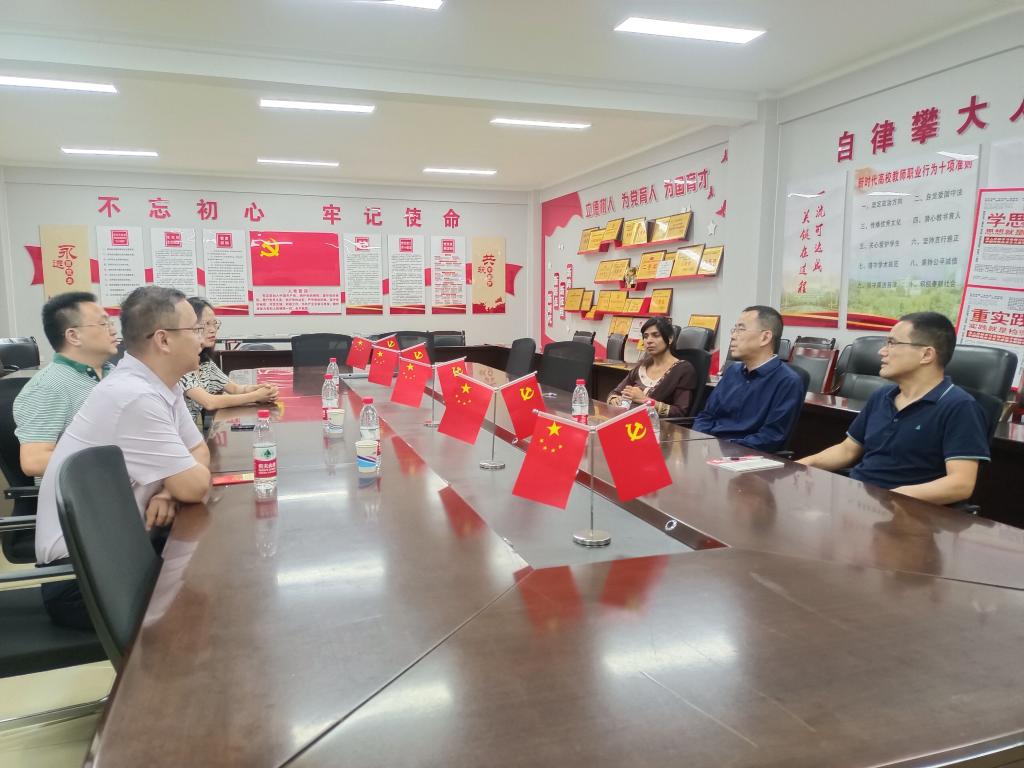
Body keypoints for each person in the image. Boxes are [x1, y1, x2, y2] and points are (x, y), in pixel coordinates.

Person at [34, 285, 212, 629]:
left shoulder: (162, 385)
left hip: (123, 549)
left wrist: (166, 489)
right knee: (206, 607)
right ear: (163, 339)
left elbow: (199, 450)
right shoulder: (134, 396)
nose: (202, 339)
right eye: (194, 329)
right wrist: (178, 482)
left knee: (211, 573)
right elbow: (193, 486)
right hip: (82, 577)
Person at [798, 312, 989, 505]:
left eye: (892, 343)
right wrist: (803, 464)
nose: (882, 351)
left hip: (907, 511)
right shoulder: (881, 396)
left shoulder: (960, 407)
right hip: (858, 499)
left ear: (926, 355)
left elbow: (960, 484)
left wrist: (893, 497)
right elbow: (847, 450)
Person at [13, 291, 119, 479]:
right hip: (86, 490)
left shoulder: (114, 373)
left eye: (110, 323)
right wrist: (117, 458)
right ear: (73, 336)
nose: (113, 330)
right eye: (103, 324)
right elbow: (34, 461)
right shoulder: (48, 386)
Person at [692, 306, 805, 452]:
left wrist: (721, 448)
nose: (733, 336)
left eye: (741, 329)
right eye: (734, 329)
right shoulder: (732, 371)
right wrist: (700, 441)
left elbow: (770, 437)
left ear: (765, 337)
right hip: (709, 448)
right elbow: (706, 416)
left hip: (744, 456)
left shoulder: (787, 381)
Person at [180, 297, 277, 427]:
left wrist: (259, 389)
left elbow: (235, 389)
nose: (213, 329)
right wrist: (255, 396)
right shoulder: (181, 364)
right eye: (206, 324)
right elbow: (209, 402)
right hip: (177, 434)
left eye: (214, 323)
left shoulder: (205, 362)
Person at [606, 317, 697, 417]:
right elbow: (615, 392)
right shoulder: (642, 366)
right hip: (628, 419)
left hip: (656, 424)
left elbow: (680, 412)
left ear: (670, 339)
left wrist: (645, 400)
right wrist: (614, 399)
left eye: (655, 335)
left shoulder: (683, 369)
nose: (649, 341)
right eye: (645, 336)